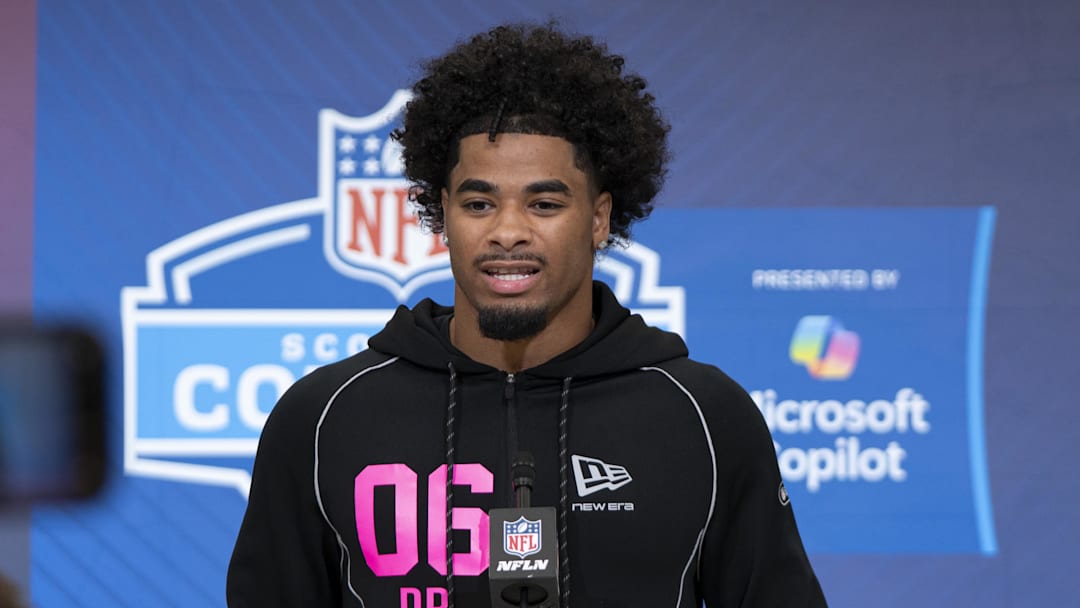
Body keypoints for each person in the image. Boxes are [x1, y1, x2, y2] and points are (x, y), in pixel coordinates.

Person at [227, 22, 827, 607]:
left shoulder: (706, 417)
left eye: (543, 204)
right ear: (443, 213)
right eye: (478, 203)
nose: (508, 231)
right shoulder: (322, 418)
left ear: (598, 218)